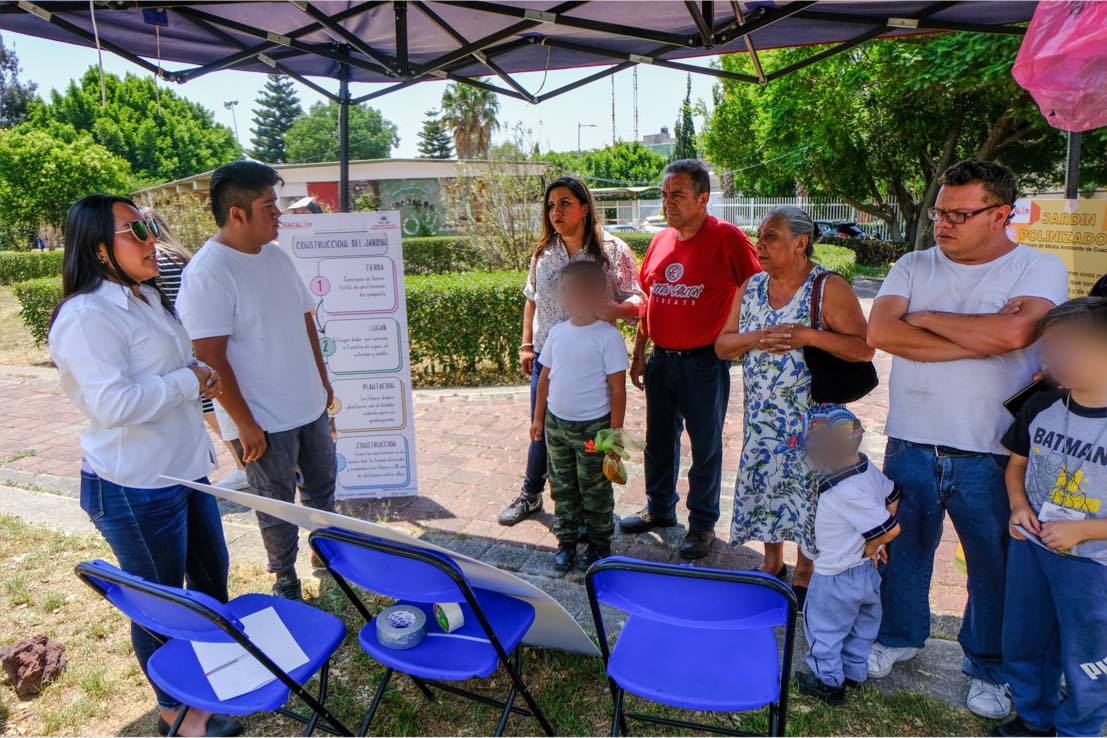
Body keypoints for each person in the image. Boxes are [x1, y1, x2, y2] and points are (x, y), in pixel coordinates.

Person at [866, 159, 1069, 718]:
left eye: (959, 213)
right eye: (940, 211)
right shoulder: (913, 262)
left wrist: (925, 318)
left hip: (996, 449)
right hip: (910, 437)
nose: (944, 223)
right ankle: (898, 636)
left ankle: (988, 665)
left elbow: (1015, 332)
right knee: (902, 551)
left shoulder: (1038, 267)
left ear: (1002, 214)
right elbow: (881, 331)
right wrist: (982, 340)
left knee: (993, 564)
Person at [47, 195, 237, 737]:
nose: (152, 238)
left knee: (207, 582)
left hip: (182, 471)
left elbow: (168, 364)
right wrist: (188, 381)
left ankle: (207, 680)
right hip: (134, 486)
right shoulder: (86, 316)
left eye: (150, 225)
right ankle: (177, 712)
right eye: (136, 230)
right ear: (100, 249)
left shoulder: (148, 297)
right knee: (159, 605)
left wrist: (194, 367)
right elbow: (113, 405)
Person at [177, 161, 335, 602]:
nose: (278, 214)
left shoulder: (276, 255)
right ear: (237, 214)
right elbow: (210, 359)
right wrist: (244, 424)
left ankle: (328, 555)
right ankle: (285, 578)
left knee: (322, 488)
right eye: (269, 206)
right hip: (263, 419)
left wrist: (323, 385)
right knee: (276, 504)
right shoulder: (208, 273)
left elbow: (306, 321)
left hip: (307, 403)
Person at [715, 206, 872, 594]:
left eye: (770, 237)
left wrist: (810, 336)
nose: (759, 244)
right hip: (763, 421)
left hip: (811, 419)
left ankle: (804, 570)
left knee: (809, 490)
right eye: (759, 236)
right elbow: (722, 345)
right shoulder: (750, 287)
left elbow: (864, 349)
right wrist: (754, 338)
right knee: (767, 484)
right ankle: (771, 562)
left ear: (801, 243)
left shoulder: (828, 286)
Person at [622, 159, 762, 560]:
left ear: (704, 198)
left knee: (705, 447)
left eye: (678, 195)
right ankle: (660, 509)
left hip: (704, 363)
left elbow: (756, 288)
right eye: (665, 195)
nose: (668, 203)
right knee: (658, 442)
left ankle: (701, 525)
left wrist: (739, 337)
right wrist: (639, 354)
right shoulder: (661, 241)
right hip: (662, 360)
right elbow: (650, 301)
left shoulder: (728, 239)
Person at [499, 176, 643, 526]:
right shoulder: (543, 253)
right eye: (550, 205)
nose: (555, 212)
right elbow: (531, 300)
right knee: (543, 430)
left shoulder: (612, 251)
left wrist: (614, 309)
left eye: (564, 203)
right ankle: (532, 494)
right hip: (549, 361)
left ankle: (592, 512)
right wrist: (526, 345)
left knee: (591, 440)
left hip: (594, 367)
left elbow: (639, 300)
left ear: (584, 207)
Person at [996, 297, 1107, 738]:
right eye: (1049, 349)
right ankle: (1033, 716)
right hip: (1034, 550)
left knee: (1089, 654)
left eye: (1069, 348)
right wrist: (1019, 506)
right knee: (1026, 639)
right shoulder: (1040, 406)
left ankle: (1081, 728)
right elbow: (1017, 466)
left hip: (1093, 564)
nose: (1053, 359)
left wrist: (1084, 529)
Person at [795, 404, 900, 706]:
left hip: (833, 575)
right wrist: (875, 547)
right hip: (866, 573)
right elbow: (893, 496)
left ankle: (828, 683)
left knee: (823, 630)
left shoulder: (842, 490)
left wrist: (875, 541)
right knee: (863, 625)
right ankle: (854, 672)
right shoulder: (866, 468)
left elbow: (892, 528)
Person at [142, 206, 249, 492]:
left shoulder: (157, 260)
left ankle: (243, 464)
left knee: (207, 403)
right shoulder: (180, 254)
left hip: (186, 341)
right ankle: (242, 464)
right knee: (213, 401)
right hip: (201, 333)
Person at [530, 261, 629, 572]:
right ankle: (567, 542)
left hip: (593, 429)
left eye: (578, 292)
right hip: (556, 427)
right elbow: (545, 378)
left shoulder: (607, 337)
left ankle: (599, 544)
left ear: (597, 293)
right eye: (566, 293)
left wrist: (614, 436)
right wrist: (537, 419)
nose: (570, 299)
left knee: (595, 488)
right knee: (562, 487)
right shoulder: (558, 333)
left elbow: (617, 390)